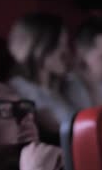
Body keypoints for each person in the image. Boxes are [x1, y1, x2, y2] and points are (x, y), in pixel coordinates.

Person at [7, 12, 73, 143]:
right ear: (38, 47)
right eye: (58, 45)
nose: (66, 53)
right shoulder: (19, 87)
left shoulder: (57, 90)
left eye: (66, 45)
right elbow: (56, 130)